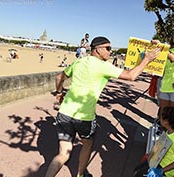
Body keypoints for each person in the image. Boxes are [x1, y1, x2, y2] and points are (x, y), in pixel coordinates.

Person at [45, 36, 160, 177]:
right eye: (108, 48)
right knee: (87, 145)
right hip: (84, 116)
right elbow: (131, 76)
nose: (110, 52)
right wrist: (147, 59)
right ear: (98, 49)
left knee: (63, 154)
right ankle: (80, 175)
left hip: (64, 113)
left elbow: (59, 78)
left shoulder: (79, 61)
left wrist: (59, 93)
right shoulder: (103, 66)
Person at [133, 106, 174, 177]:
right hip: (158, 162)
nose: (159, 119)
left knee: (138, 174)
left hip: (166, 170)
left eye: (161, 118)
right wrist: (151, 155)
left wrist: (161, 171)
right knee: (136, 171)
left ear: (166, 122)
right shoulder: (167, 132)